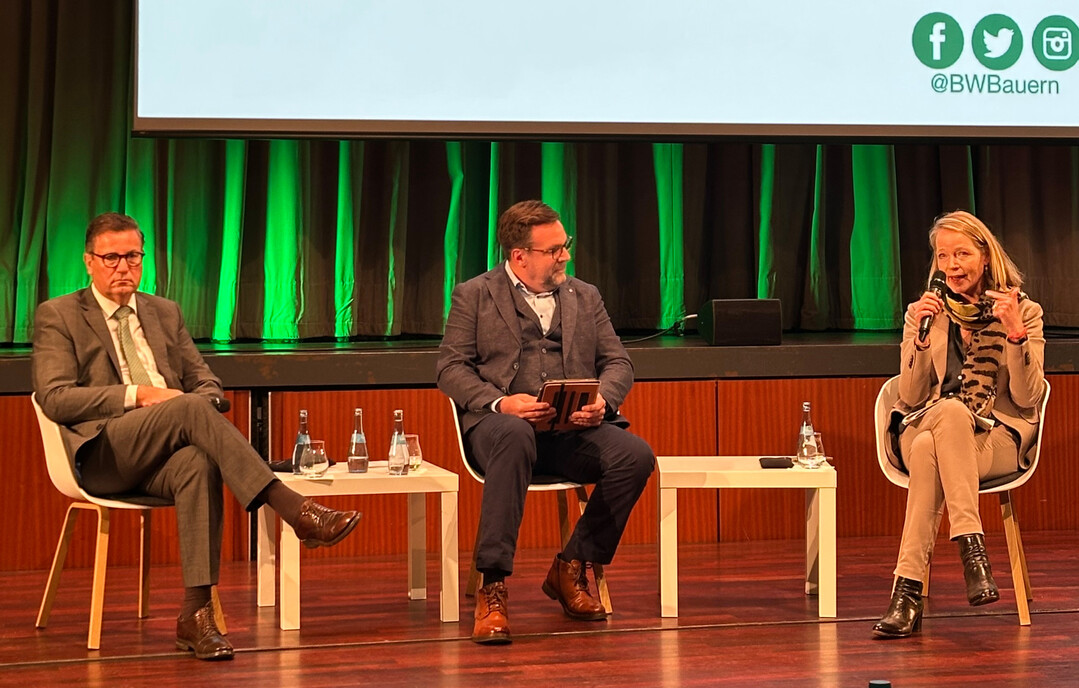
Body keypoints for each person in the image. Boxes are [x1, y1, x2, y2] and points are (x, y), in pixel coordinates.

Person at [32, 212, 361, 660]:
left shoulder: (164, 312)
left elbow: (207, 384)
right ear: (89, 261)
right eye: (111, 258)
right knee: (184, 406)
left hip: (166, 454)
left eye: (132, 256)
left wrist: (193, 409)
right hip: (104, 455)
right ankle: (294, 509)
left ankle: (195, 616)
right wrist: (138, 395)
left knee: (198, 460)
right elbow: (55, 398)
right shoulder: (60, 315)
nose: (123, 267)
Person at [437, 200, 655, 645]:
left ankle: (572, 566)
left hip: (569, 430)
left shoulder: (584, 294)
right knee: (516, 434)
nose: (566, 257)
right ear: (520, 256)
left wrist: (603, 402)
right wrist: (501, 403)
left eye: (565, 246)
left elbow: (618, 362)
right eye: (556, 249)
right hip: (500, 431)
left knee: (635, 456)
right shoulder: (474, 294)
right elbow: (450, 369)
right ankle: (493, 585)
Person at [873, 210, 1046, 638]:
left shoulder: (1023, 311)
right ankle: (973, 550)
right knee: (948, 412)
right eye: (943, 255)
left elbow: (1027, 398)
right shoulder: (925, 314)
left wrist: (1015, 333)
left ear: (985, 257)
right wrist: (920, 337)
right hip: (929, 419)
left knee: (927, 449)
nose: (951, 265)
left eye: (962, 254)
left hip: (995, 438)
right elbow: (910, 396)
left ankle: (906, 594)